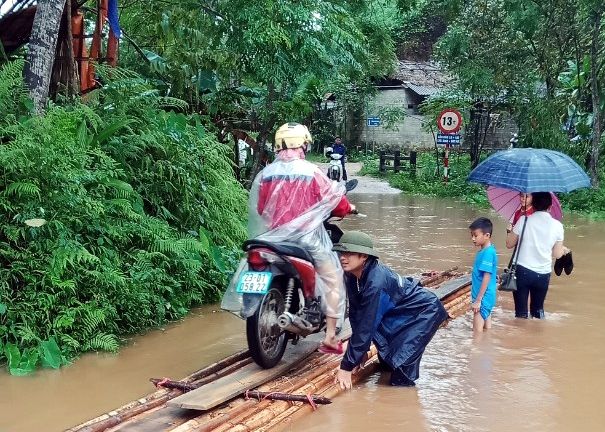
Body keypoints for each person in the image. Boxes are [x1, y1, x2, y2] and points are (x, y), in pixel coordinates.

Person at [248, 122, 355, 352]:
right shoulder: (311, 172)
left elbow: (260, 208)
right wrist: (348, 208)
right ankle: (330, 337)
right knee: (333, 277)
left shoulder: (265, 174)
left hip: (273, 240)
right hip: (306, 240)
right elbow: (335, 201)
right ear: (303, 144)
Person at [333, 231, 448, 389]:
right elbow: (356, 313)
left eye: (349, 253)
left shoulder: (376, 283)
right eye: (341, 253)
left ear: (364, 256)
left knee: (402, 367)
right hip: (398, 312)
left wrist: (346, 367)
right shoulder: (352, 275)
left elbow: (367, 325)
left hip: (423, 312)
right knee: (387, 363)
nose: (343, 258)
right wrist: (362, 351)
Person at [505, 192, 571, 319]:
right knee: (538, 312)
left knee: (521, 314)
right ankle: (538, 335)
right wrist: (564, 250)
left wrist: (510, 230)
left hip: (522, 271)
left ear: (533, 204)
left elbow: (509, 244)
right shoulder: (558, 225)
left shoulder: (524, 220)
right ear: (550, 206)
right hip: (543, 274)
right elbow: (557, 254)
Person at [469, 217, 498, 332]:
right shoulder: (488, 250)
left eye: (475, 235)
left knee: (477, 334)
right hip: (487, 296)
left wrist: (478, 300)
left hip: (483, 298)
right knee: (487, 331)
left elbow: (487, 276)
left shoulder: (487, 253)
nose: (473, 238)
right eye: (472, 235)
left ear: (486, 235)